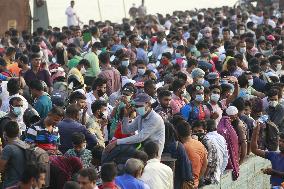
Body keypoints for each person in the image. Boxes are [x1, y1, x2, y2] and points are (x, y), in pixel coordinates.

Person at [105, 93, 165, 158]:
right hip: (143, 150)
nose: (137, 108)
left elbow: (140, 137)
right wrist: (126, 116)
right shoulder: (140, 117)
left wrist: (117, 142)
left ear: (149, 104)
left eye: (140, 106)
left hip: (154, 154)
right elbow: (126, 131)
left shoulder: (155, 118)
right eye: (136, 106)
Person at [175, 120, 208, 188]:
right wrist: (198, 179)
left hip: (187, 185)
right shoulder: (199, 143)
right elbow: (205, 163)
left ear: (177, 134)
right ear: (190, 132)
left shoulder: (182, 148)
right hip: (195, 183)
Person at [251, 122, 284, 186]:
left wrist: (274, 172)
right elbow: (254, 150)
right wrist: (255, 132)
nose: (280, 143)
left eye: (283, 142)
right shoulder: (274, 155)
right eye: (280, 140)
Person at [0, 121, 26, 188]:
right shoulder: (24, 145)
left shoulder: (8, 148)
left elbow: (1, 168)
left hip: (11, 184)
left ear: (4, 133)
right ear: (18, 133)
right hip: (23, 184)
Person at [205, 119, 229, 184]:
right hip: (218, 172)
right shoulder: (221, 137)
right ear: (216, 127)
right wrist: (220, 172)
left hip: (208, 176)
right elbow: (226, 157)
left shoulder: (205, 138)